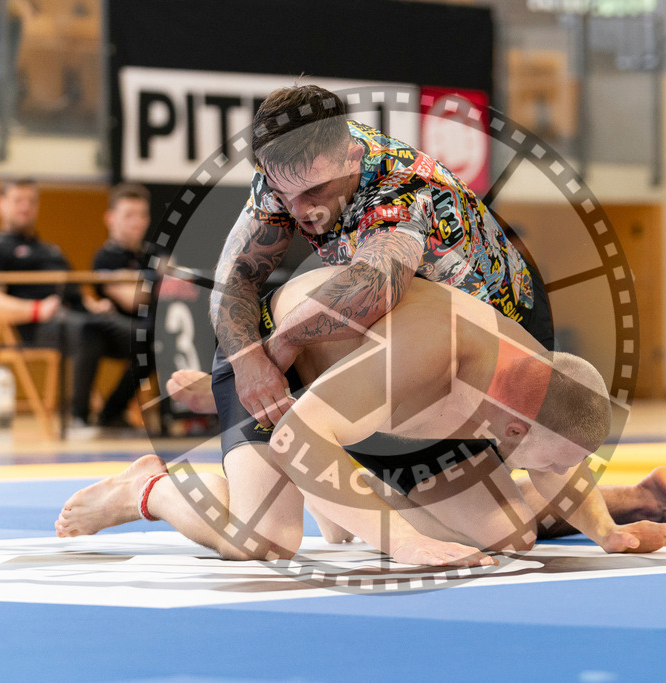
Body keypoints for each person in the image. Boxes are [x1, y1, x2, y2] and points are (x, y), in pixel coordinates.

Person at [57, 268, 666, 566]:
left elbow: (560, 451)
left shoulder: (541, 378)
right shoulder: (430, 354)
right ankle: (144, 486)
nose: (549, 473)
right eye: (532, 458)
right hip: (281, 363)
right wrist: (396, 539)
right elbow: (302, 436)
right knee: (270, 539)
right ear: (509, 428)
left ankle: (629, 494)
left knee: (506, 535)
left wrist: (610, 530)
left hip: (363, 397)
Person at [210, 84, 553, 517]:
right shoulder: (291, 173)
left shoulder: (402, 186)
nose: (298, 211)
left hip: (508, 320)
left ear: (352, 155)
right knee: (493, 521)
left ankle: (615, 502)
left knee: (537, 464)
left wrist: (281, 345)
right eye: (283, 194)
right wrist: (245, 361)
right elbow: (235, 277)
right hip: (429, 336)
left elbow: (374, 286)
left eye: (315, 191)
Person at [0, 178, 133, 430]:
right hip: (38, 324)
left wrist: (93, 305)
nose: (25, 207)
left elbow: (75, 291)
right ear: (0, 204)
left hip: (82, 317)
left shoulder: (51, 251)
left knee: (149, 338)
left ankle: (111, 412)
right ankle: (79, 419)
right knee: (88, 333)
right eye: (18, 201)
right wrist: (36, 310)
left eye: (31, 201)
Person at [89, 183, 152, 429]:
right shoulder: (104, 258)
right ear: (111, 218)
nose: (137, 222)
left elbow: (178, 290)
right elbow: (133, 299)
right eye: (129, 215)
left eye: (142, 215)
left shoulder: (153, 253)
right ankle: (110, 413)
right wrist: (158, 284)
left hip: (159, 326)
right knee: (151, 342)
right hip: (118, 333)